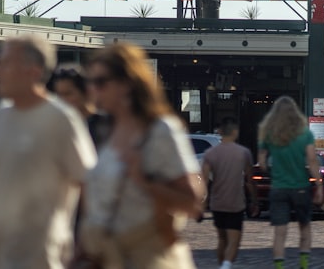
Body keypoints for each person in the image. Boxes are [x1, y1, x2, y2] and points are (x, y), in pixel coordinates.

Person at [0, 36, 96, 269]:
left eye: (6, 63)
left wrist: (88, 251)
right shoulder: (0, 116)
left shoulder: (61, 119)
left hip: (45, 258)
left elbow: (89, 185)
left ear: (33, 70)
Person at [78, 42, 203, 269]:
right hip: (106, 255)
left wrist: (145, 182)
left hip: (147, 256)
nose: (93, 90)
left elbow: (192, 201)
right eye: (90, 82)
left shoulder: (160, 130)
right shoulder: (102, 131)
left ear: (126, 84)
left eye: (100, 82)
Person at [258, 96, 319, 269]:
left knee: (280, 232)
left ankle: (279, 266)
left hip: (279, 187)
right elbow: (312, 160)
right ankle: (304, 264)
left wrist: (271, 170)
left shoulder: (269, 134)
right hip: (300, 186)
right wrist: (320, 185)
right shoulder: (305, 134)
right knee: (304, 227)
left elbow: (262, 161)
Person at [201, 117, 258, 269]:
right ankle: (225, 266)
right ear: (235, 132)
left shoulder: (210, 153)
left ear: (220, 132)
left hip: (217, 202)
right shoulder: (244, 153)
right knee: (234, 240)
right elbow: (249, 180)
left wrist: (202, 204)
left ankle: (222, 265)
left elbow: (204, 181)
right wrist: (254, 200)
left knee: (221, 238)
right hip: (235, 203)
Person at [50, 65, 112, 149]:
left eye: (68, 94)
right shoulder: (56, 127)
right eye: (59, 95)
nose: (62, 100)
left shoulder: (105, 124)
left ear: (85, 92)